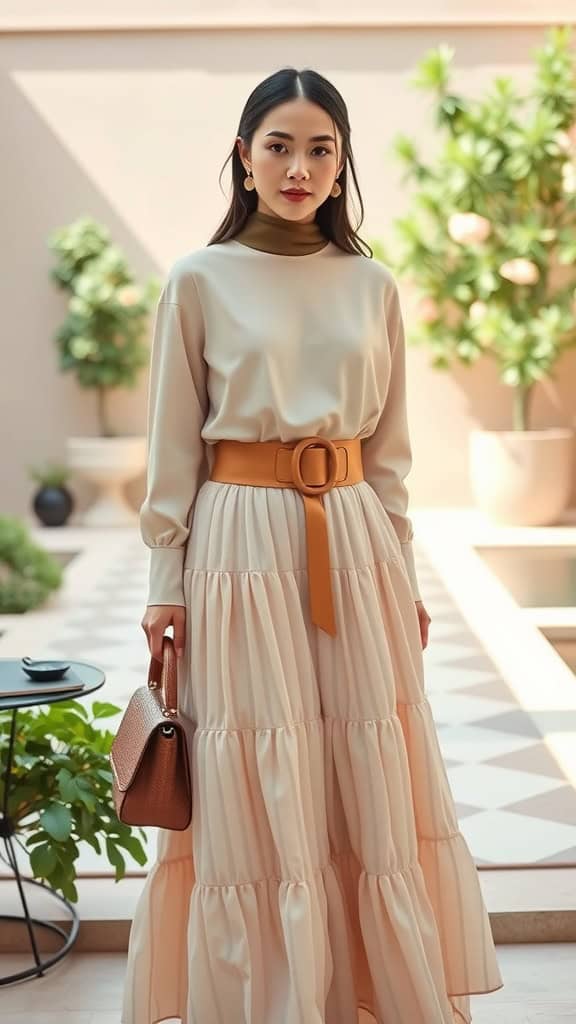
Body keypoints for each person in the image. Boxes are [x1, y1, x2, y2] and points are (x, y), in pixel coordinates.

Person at [121, 66, 503, 1024]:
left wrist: (403, 577)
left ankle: (363, 994)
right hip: (238, 547)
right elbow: (173, 448)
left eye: (320, 147)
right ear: (244, 158)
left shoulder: (373, 285)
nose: (299, 166)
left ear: (342, 166)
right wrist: (165, 583)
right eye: (279, 145)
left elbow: (391, 456)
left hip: (357, 545)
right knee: (262, 766)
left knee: (363, 769)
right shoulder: (197, 280)